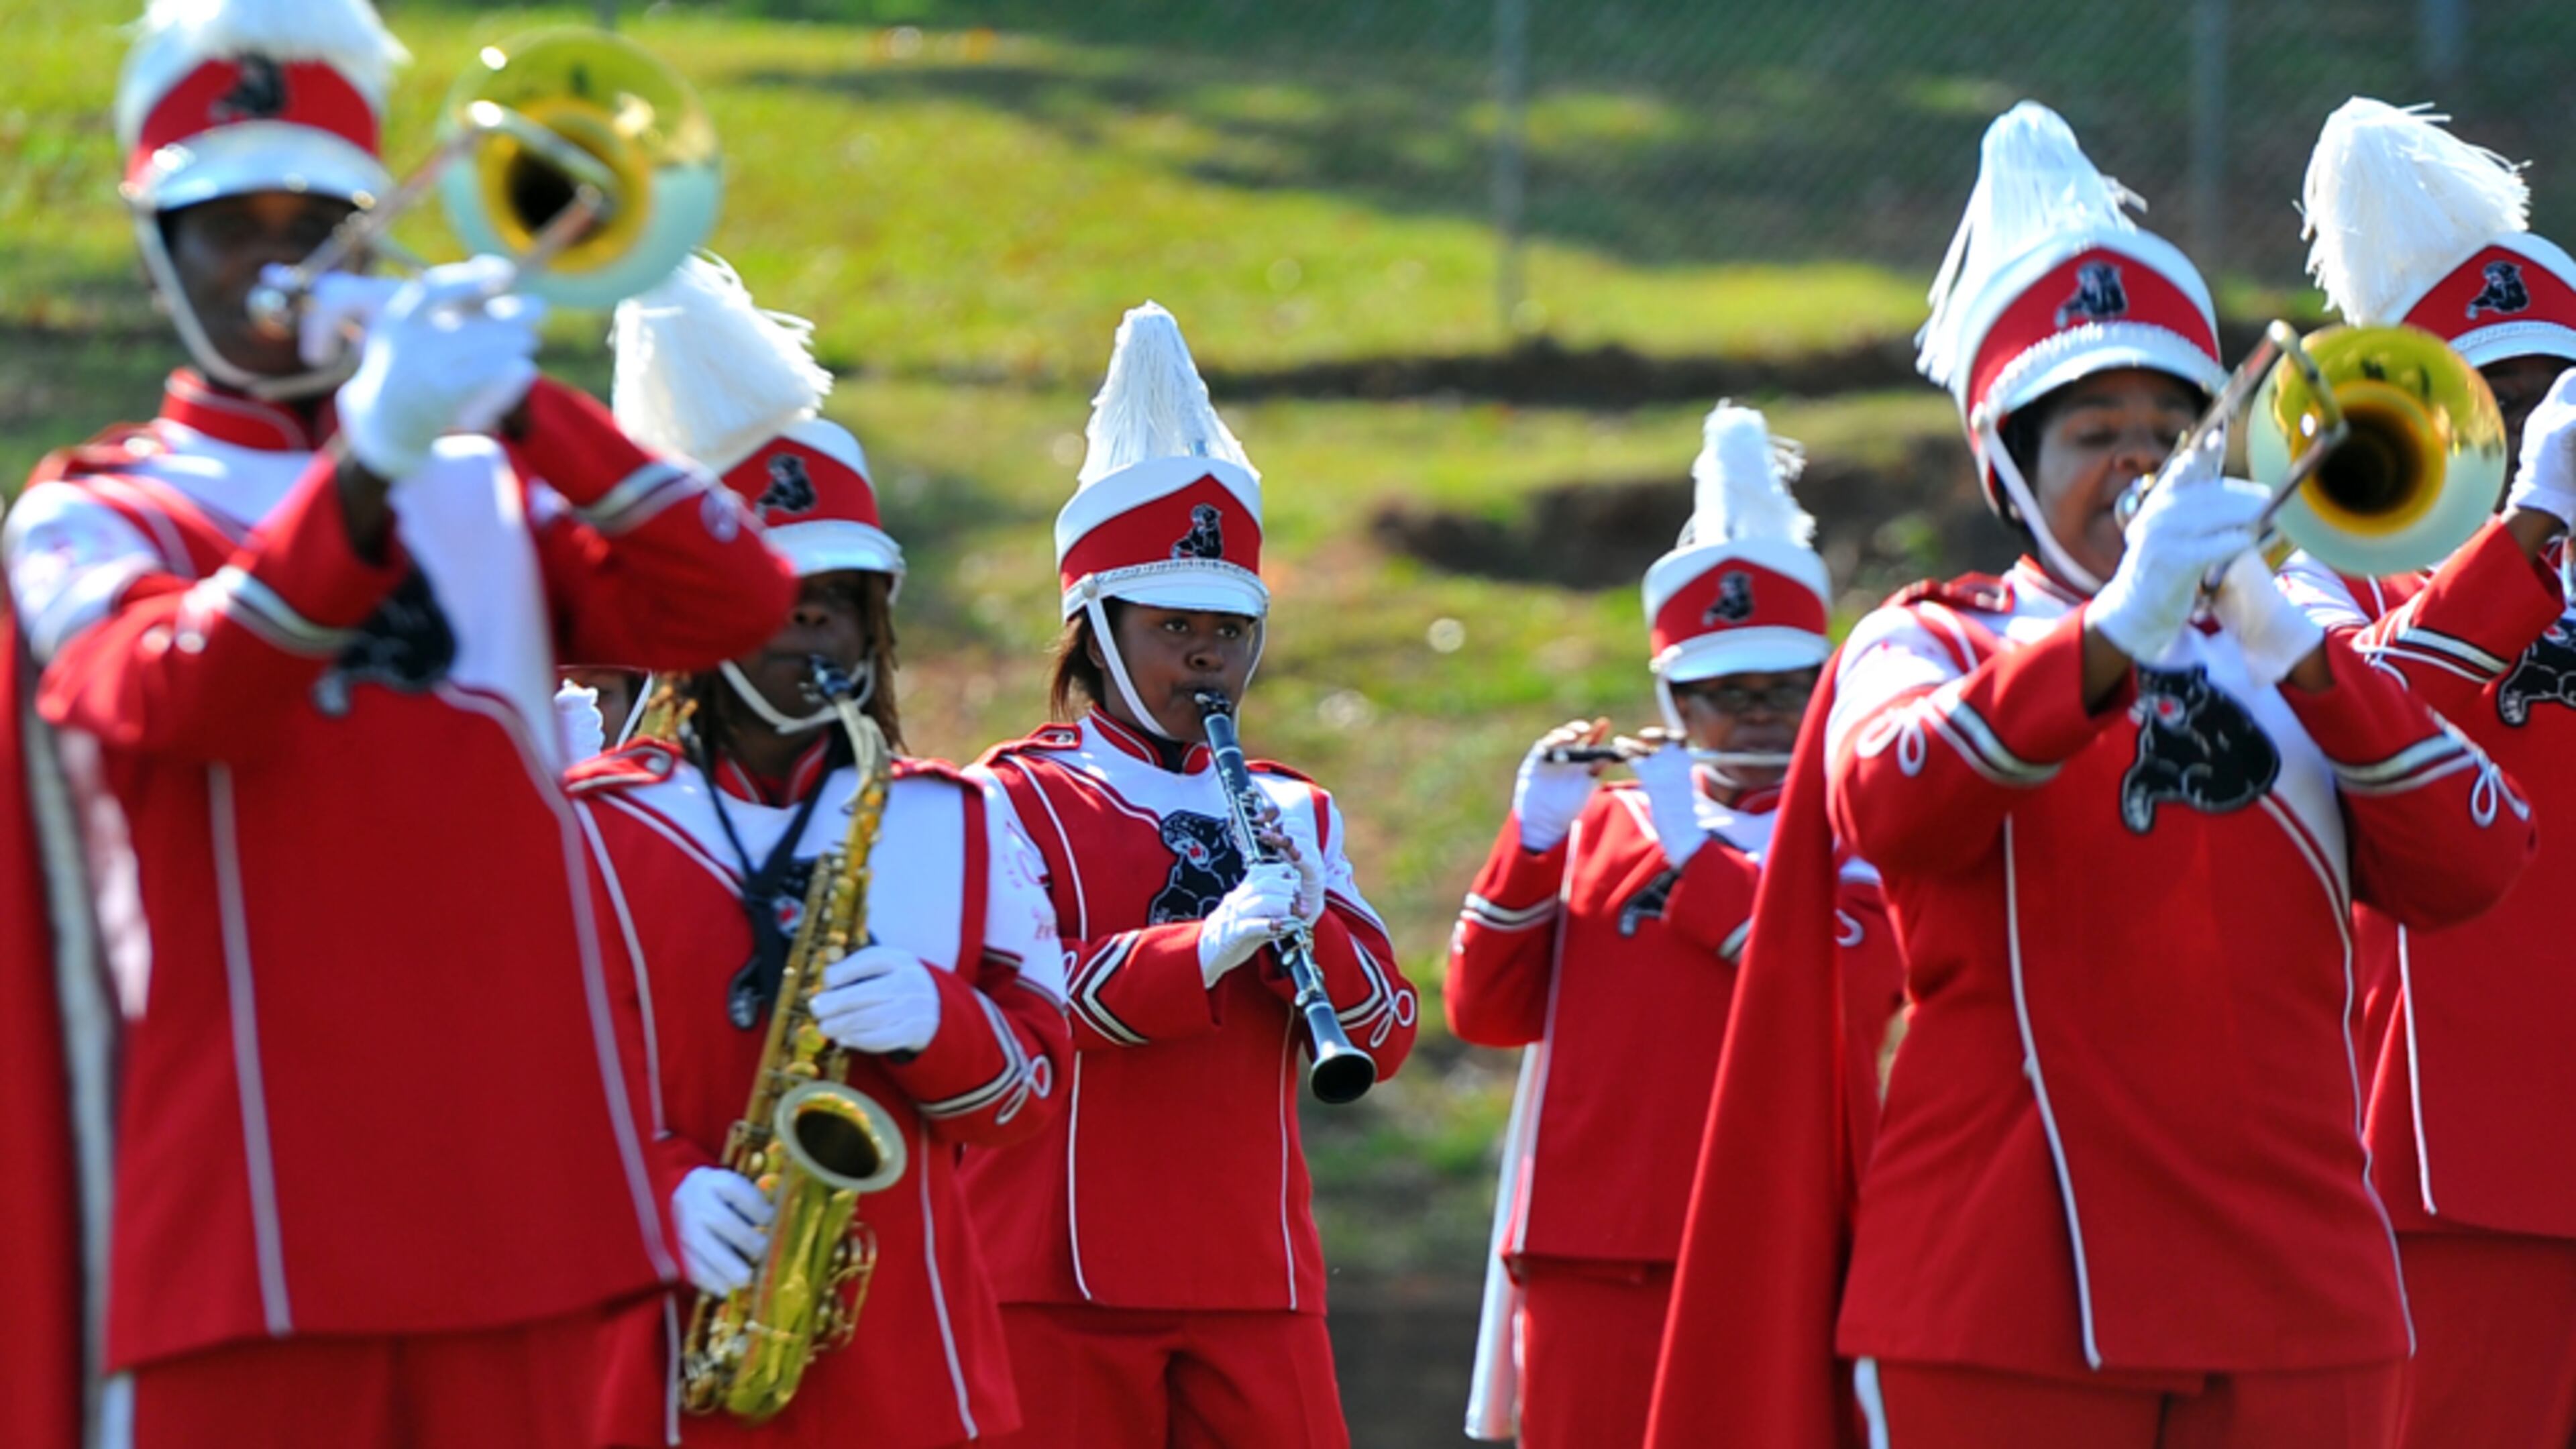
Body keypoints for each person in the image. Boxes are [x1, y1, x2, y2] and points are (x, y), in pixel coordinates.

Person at [1644, 101, 2533, 1449]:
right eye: (2087, 432)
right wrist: (2117, 625)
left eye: (2166, 424)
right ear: (2009, 469)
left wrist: (2283, 634)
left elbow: (2470, 860)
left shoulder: (2307, 636)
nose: (2131, 460)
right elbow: (1895, 799)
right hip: (2007, 1295)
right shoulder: (1925, 640)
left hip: (2306, 1302)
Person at [0, 3, 797, 1445]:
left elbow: (730, 601)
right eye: (230, 226)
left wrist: (523, 405)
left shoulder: (481, 483)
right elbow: (179, 697)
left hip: (513, 1214)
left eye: (320, 217)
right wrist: (366, 467)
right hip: (246, 1226)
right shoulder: (88, 514)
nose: (280, 262)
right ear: (158, 255)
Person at [574, 256, 1070, 1449]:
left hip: (905, 1368)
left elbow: (1032, 1093)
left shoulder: (951, 819)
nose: (813, 634)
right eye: (780, 600)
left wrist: (941, 1019)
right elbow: (508, 1089)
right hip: (663, 1345)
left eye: (837, 606)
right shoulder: (592, 825)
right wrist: (653, 1189)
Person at [959, 303, 1417, 1449]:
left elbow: (1393, 1028)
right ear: (1097, 632)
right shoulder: (1011, 798)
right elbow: (1015, 1007)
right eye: (1176, 627)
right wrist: (1201, 950)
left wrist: (1316, 918)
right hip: (1053, 1273)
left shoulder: (1294, 807)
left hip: (1256, 1274)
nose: (1210, 655)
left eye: (1230, 630)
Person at [1450, 402, 1904, 1449]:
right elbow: (1485, 1008)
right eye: (1716, 693)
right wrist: (1531, 838)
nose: (1752, 715)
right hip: (1595, 1250)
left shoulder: (1859, 823)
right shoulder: (1607, 819)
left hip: (1786, 1240)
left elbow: (1849, 989)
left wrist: (1696, 856)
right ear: (1670, 696)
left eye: (1784, 690)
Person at [2278, 97, 2576, 1449]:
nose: (2524, 426)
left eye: (2549, 392)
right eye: (2491, 396)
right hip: (2444, 1175)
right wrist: (2529, 541)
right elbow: (2366, 725)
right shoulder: (2324, 575)